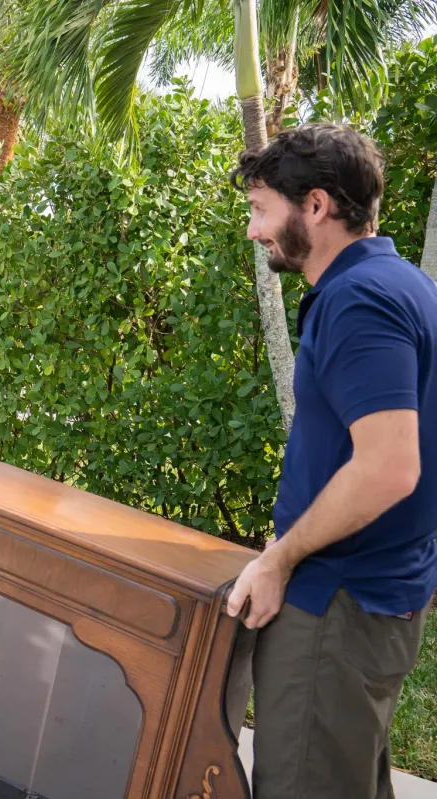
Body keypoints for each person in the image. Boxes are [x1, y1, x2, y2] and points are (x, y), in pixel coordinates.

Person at [227, 123, 437, 798]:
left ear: (314, 206)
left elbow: (388, 467)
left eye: (262, 210)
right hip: (374, 599)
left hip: (335, 611)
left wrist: (280, 558)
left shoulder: (357, 299)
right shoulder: (404, 284)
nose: (255, 231)